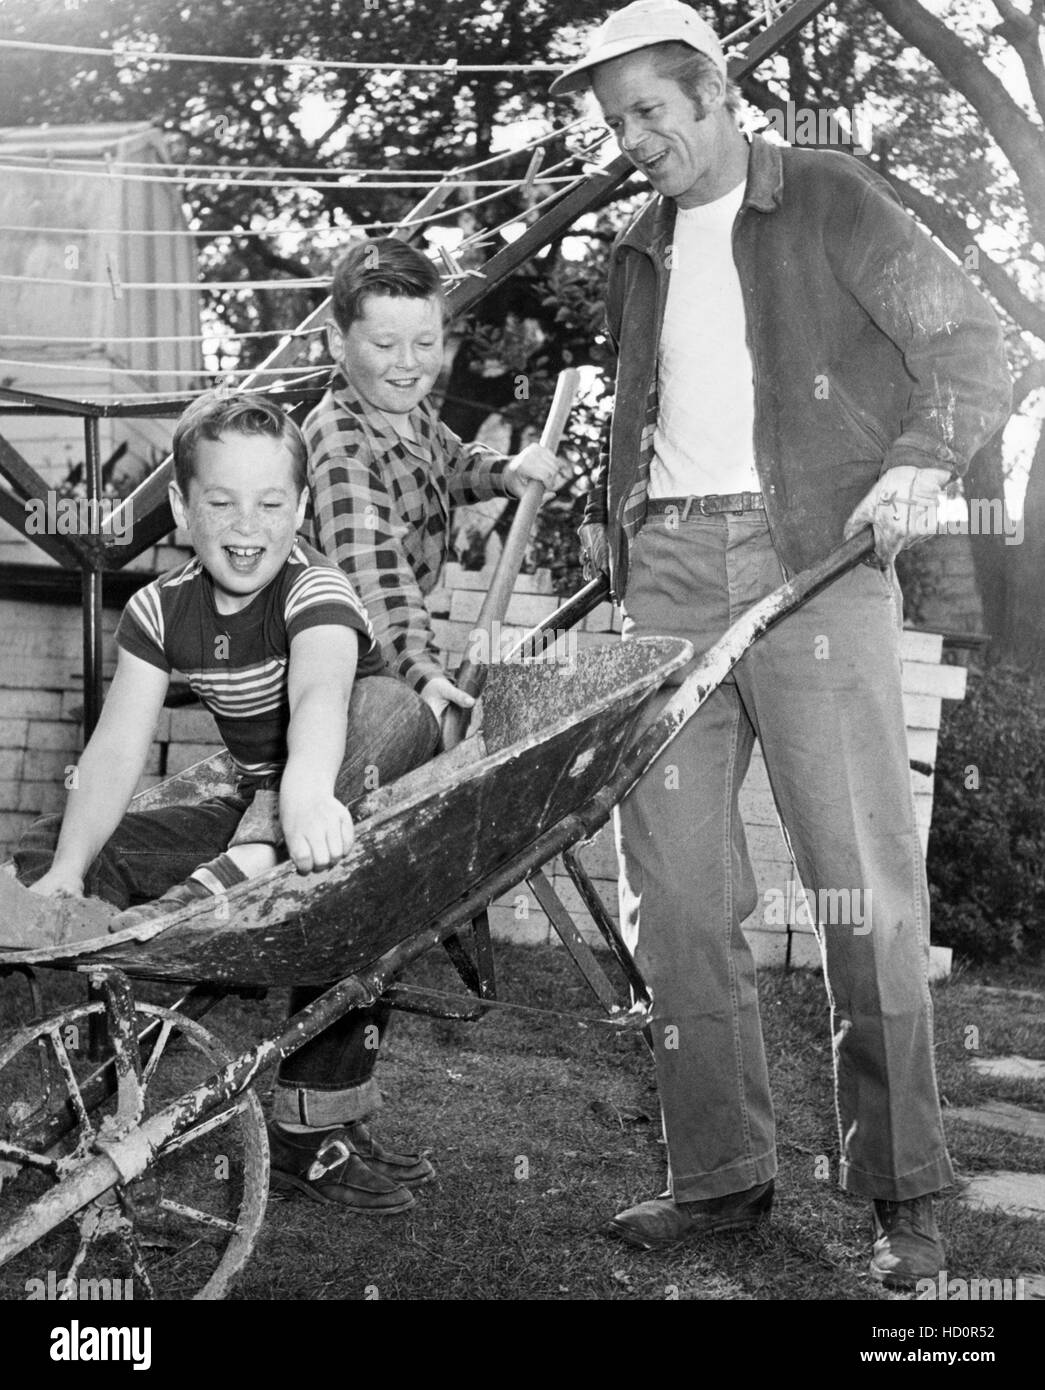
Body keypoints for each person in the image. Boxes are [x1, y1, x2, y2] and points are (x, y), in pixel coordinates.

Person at [549, 0, 1011, 1286]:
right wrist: (618, 533)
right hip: (669, 581)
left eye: (651, 111)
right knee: (679, 900)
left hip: (813, 560)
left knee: (860, 885)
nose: (633, 140)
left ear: (713, 97)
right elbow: (645, 415)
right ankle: (717, 1181)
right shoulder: (636, 246)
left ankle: (902, 1193)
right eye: (614, 121)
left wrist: (920, 461)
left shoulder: (829, 196)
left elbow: (976, 340)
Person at [16, 390, 440, 1216]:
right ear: (180, 507)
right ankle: (142, 952)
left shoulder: (312, 589)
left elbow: (321, 696)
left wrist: (305, 795)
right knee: (37, 847)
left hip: (348, 785)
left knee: (394, 706)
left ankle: (252, 860)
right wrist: (69, 870)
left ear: (302, 509)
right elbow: (113, 751)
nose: (247, 525)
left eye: (271, 503)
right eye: (221, 501)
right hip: (255, 802)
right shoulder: (159, 609)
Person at [303, 237, 565, 727]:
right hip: (337, 660)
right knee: (386, 737)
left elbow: (451, 464)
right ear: (338, 342)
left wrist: (508, 472)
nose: (408, 362)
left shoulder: (406, 413)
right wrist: (421, 673)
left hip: (379, 651)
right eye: (384, 345)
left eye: (426, 343)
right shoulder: (340, 442)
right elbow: (372, 577)